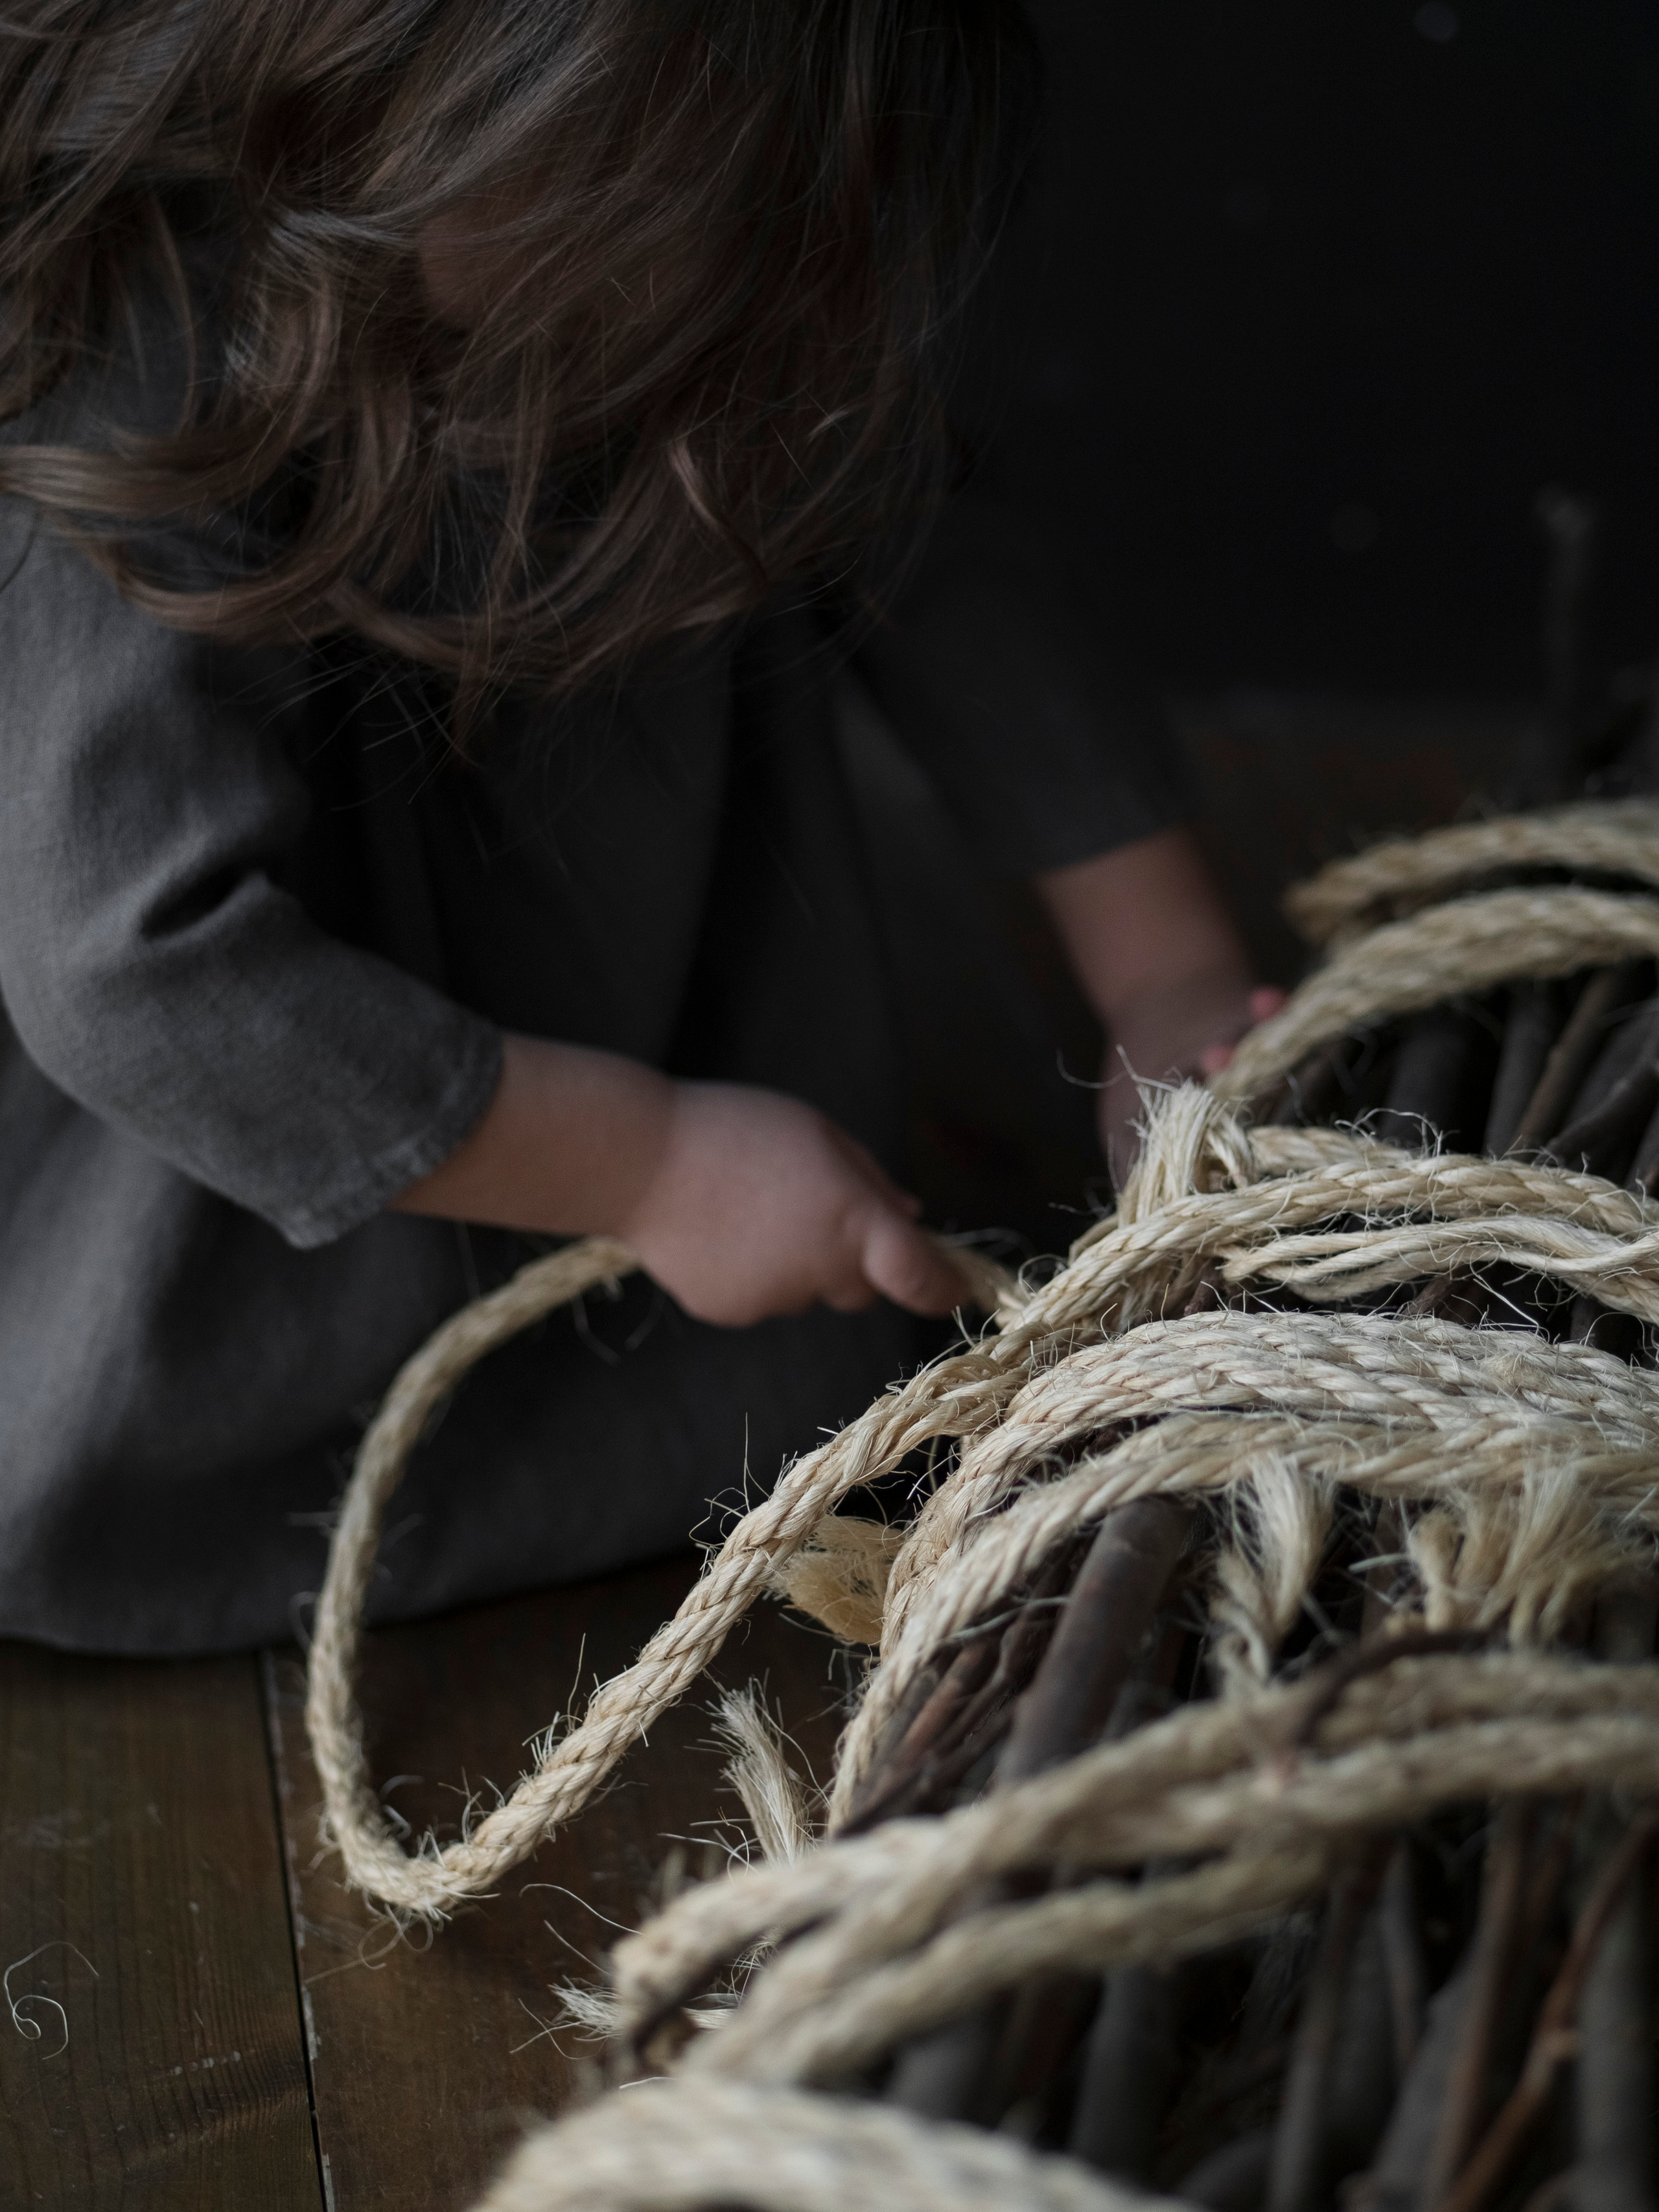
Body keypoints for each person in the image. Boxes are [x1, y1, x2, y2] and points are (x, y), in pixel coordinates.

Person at [0, 0, 1275, 1653]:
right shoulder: (123, 338)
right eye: (686, 235)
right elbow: (138, 972)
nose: (767, 326)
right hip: (206, 1310)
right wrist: (651, 1167)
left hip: (702, 1245)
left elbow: (940, 558)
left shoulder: (733, 261)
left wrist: (1166, 983)